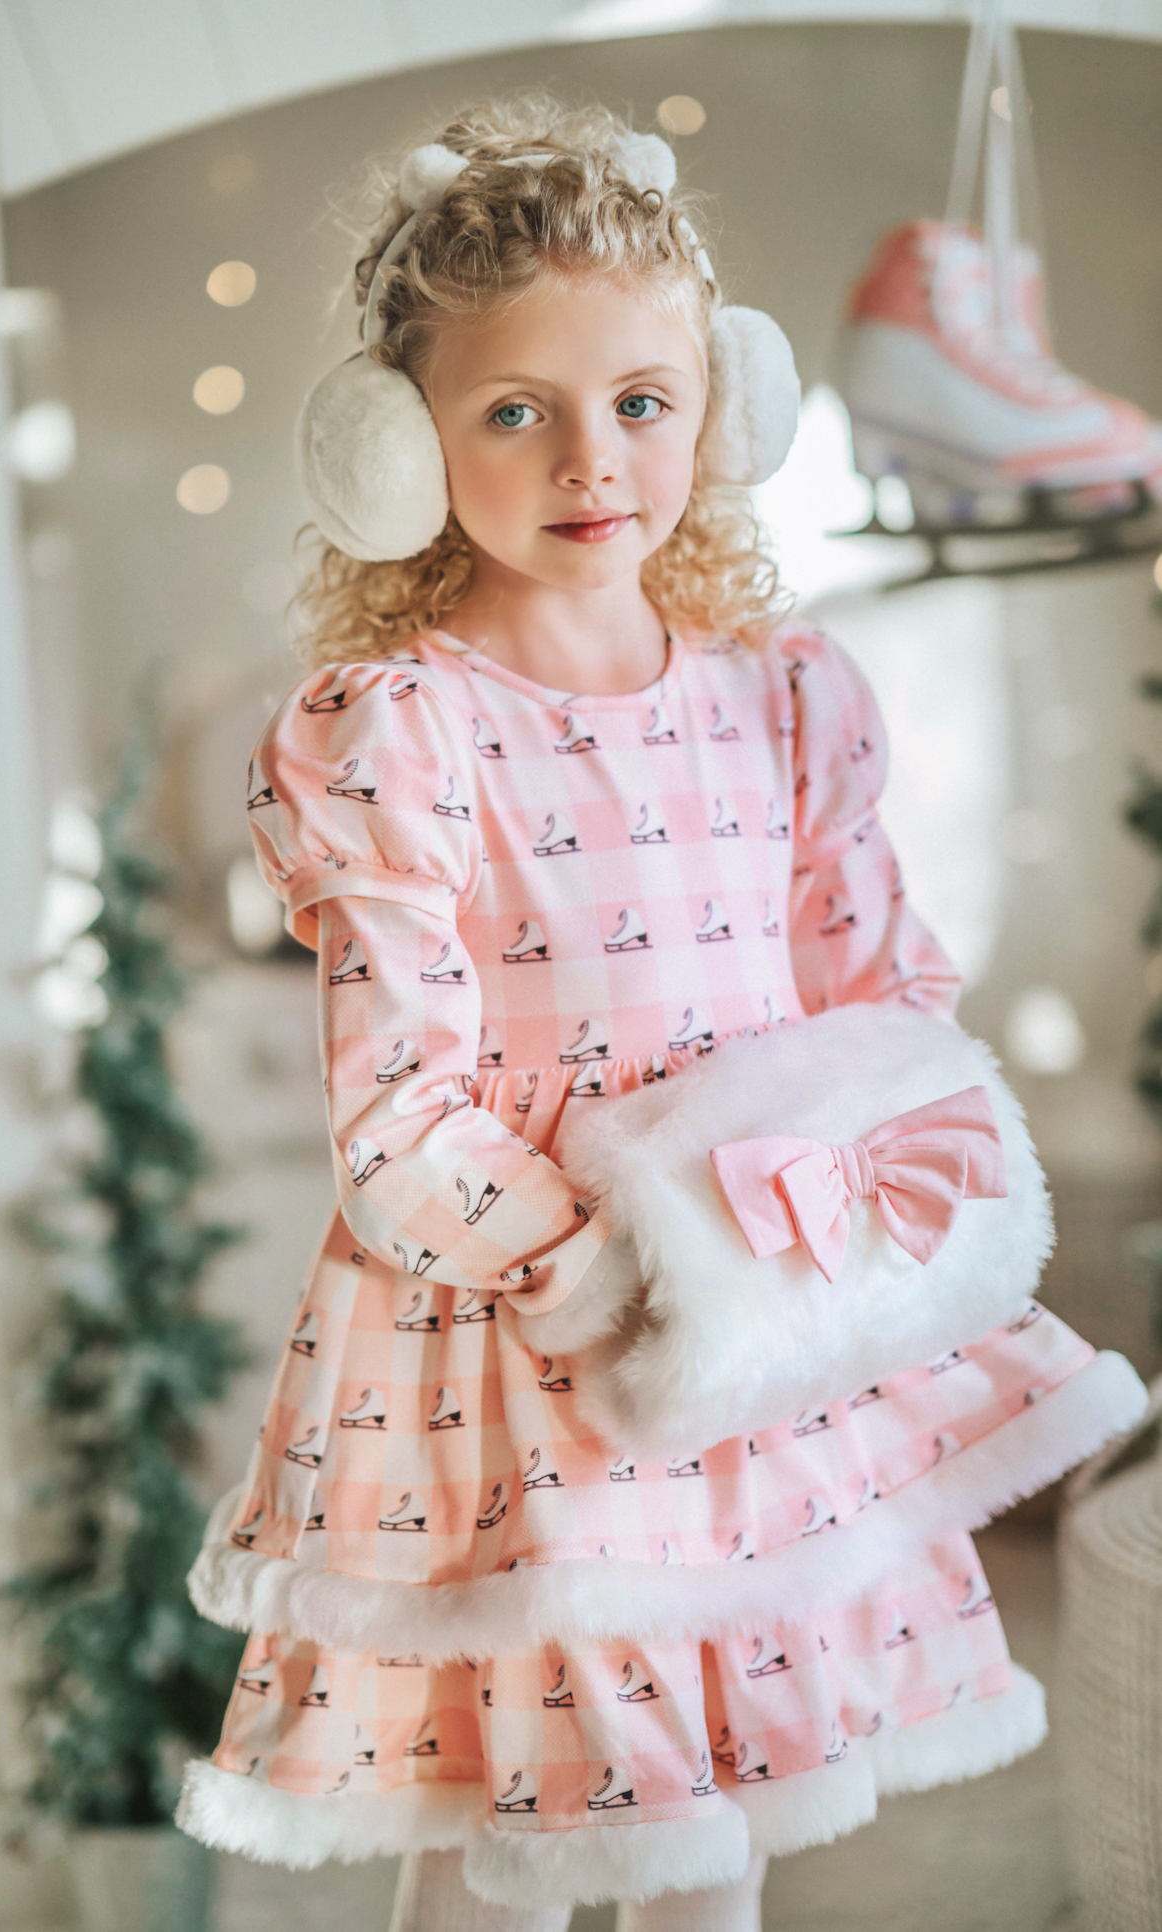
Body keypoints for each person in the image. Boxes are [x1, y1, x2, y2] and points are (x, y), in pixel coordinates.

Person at [175, 95, 1145, 1931]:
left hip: (753, 1342)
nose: (587, 459)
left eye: (639, 399)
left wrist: (827, 1245)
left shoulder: (784, 699)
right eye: (511, 410)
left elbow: (883, 994)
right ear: (401, 444)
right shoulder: (400, 733)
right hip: (515, 1346)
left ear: (722, 410)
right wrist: (604, 1268)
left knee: (722, 1805)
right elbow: (398, 1114)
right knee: (515, 1825)